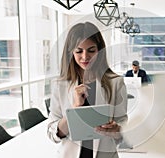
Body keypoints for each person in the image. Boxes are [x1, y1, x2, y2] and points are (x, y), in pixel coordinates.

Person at [47, 22, 128, 158]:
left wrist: (117, 129)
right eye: (79, 51)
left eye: (91, 50)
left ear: (99, 50)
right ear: (71, 52)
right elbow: (53, 134)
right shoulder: (59, 85)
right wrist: (74, 109)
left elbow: (123, 131)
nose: (85, 57)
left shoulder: (116, 83)